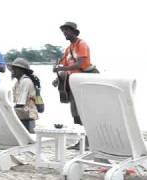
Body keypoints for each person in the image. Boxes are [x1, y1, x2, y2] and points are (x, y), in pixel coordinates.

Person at [53, 22, 99, 150]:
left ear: (74, 32)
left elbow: (80, 64)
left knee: (85, 113)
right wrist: (57, 78)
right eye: (63, 31)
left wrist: (63, 67)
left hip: (84, 84)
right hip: (73, 83)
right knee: (75, 113)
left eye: (67, 31)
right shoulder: (69, 49)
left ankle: (89, 141)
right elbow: (65, 67)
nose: (65, 33)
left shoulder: (81, 44)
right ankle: (82, 141)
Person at [7, 58, 39, 133]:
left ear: (21, 70)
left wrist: (7, 108)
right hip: (22, 114)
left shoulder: (25, 81)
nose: (12, 71)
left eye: (14, 69)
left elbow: (21, 104)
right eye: (12, 69)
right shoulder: (17, 83)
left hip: (28, 115)